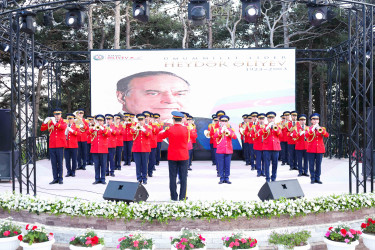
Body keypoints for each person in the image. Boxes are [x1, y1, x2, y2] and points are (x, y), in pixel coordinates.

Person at [116, 71, 191, 122]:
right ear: (121, 97)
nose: (170, 100)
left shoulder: (199, 125)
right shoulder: (110, 126)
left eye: (179, 94)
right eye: (153, 93)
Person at [159, 111, 189, 201]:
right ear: (181, 119)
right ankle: (182, 196)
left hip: (172, 156)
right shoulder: (186, 129)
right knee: (183, 177)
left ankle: (174, 197)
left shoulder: (170, 129)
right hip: (183, 155)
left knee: (172, 177)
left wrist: (163, 131)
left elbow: (160, 136)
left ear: (173, 120)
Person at [41, 108, 67, 184]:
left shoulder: (63, 122)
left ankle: (60, 178)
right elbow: (42, 129)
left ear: (61, 114)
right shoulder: (50, 122)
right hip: (52, 144)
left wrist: (54, 123)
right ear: (54, 115)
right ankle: (55, 178)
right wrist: (45, 122)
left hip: (60, 144)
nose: (57, 116)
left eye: (58, 114)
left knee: (60, 162)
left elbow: (63, 127)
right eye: (56, 114)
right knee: (53, 163)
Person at [306, 113, 329, 184]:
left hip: (319, 149)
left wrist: (321, 130)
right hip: (311, 149)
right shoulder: (308, 128)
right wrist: (312, 129)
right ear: (311, 121)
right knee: (311, 164)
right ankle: (312, 178)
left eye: (317, 119)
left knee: (318, 164)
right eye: (314, 119)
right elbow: (306, 135)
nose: (315, 121)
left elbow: (327, 135)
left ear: (318, 121)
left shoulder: (322, 128)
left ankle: (317, 177)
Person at [214, 115, 237, 184]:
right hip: (220, 150)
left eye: (225, 121)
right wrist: (221, 131)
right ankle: (221, 178)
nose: (224, 122)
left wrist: (228, 132)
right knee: (221, 165)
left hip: (228, 150)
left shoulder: (230, 129)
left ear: (227, 122)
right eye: (222, 121)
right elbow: (215, 136)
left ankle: (226, 177)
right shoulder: (217, 129)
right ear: (220, 122)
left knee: (227, 165)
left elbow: (235, 137)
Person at [261, 112, 281, 182]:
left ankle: (273, 178)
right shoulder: (264, 126)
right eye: (270, 118)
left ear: (274, 119)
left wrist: (276, 129)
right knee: (267, 164)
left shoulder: (277, 126)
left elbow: (281, 135)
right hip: (267, 147)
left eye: (272, 118)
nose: (271, 119)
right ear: (267, 119)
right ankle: (267, 178)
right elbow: (261, 133)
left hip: (276, 147)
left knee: (275, 164)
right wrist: (267, 128)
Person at [131, 114, 152, 184]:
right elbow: (131, 132)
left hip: (145, 148)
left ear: (144, 120)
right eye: (139, 120)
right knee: (138, 164)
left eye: (142, 120)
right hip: (136, 148)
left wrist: (144, 130)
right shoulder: (135, 127)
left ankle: (144, 178)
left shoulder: (148, 127)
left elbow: (150, 135)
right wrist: (135, 128)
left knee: (144, 164)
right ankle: (139, 178)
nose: (140, 121)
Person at [90, 115, 109, 184]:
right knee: (96, 165)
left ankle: (103, 179)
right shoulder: (94, 128)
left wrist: (102, 129)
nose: (99, 122)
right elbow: (88, 133)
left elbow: (108, 134)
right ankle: (97, 178)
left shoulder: (105, 128)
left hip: (103, 149)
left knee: (103, 165)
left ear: (103, 122)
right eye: (98, 121)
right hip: (95, 149)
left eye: (101, 121)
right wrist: (94, 128)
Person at [64, 113, 80, 177]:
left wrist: (72, 131)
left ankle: (73, 171)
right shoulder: (65, 125)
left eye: (70, 118)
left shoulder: (76, 126)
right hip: (66, 145)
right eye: (68, 118)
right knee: (67, 159)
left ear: (73, 119)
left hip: (73, 145)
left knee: (74, 159)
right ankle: (68, 171)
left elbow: (78, 134)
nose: (69, 120)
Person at [252, 113, 266, 177]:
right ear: (258, 119)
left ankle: (263, 171)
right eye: (260, 119)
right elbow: (253, 136)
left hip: (265, 146)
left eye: (262, 119)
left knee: (264, 160)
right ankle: (258, 171)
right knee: (258, 160)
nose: (261, 120)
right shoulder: (255, 127)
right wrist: (259, 133)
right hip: (257, 146)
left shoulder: (266, 126)